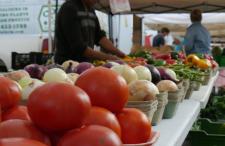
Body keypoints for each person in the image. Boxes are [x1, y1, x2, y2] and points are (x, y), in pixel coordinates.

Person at [54, 0, 125, 64]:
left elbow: (99, 37)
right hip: (67, 66)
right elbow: (79, 47)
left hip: (86, 65)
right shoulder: (69, 9)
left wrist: (120, 54)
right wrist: (109, 58)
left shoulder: (91, 10)